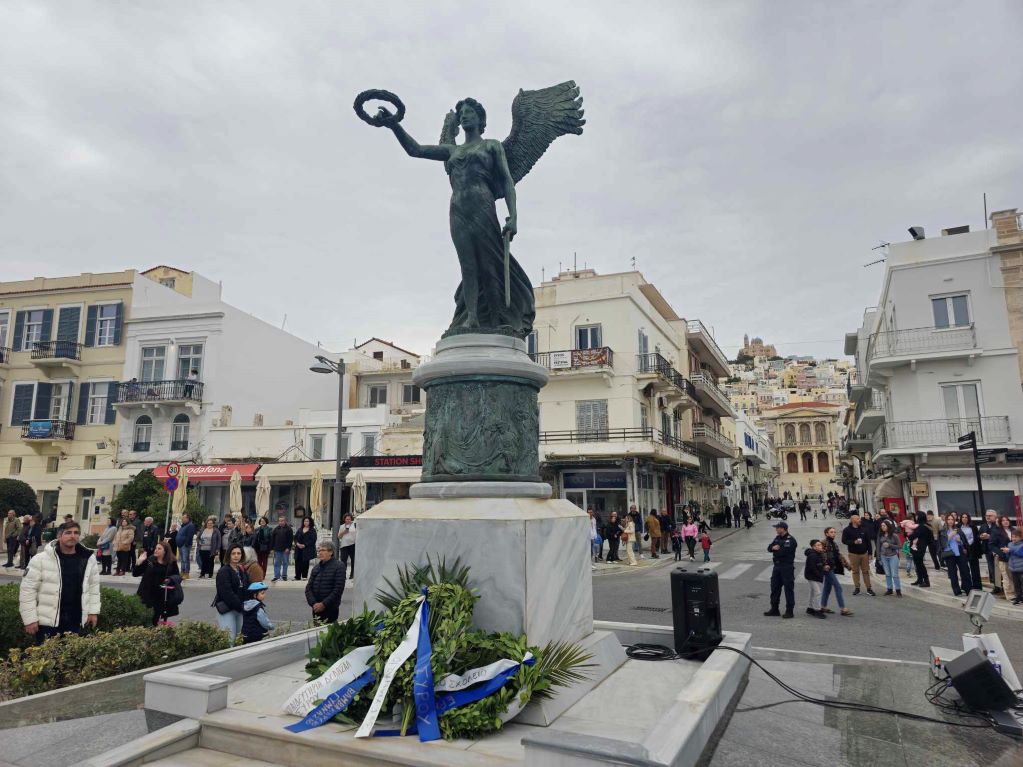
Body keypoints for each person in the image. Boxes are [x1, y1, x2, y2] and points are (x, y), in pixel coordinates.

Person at [19, 521, 100, 643]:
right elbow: (28, 590)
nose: (73, 536)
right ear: (59, 536)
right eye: (68, 533)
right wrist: (30, 619)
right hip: (48, 623)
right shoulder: (40, 559)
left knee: (70, 654)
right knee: (46, 655)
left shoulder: (88, 559)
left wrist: (93, 612)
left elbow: (93, 587)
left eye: (76, 533)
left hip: (74, 620)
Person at [132, 541, 181, 626]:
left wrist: (170, 580)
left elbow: (177, 577)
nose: (156, 550)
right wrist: (139, 561)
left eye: (159, 549)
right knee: (142, 618)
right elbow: (135, 573)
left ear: (165, 551)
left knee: (154, 620)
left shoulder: (171, 563)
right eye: (156, 548)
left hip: (160, 596)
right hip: (146, 593)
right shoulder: (150, 560)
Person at [212, 544, 249, 643]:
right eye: (233, 553)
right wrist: (241, 606)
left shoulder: (241, 570)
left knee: (239, 639)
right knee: (229, 640)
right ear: (229, 555)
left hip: (240, 609)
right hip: (227, 610)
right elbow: (227, 594)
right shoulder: (224, 571)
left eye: (238, 553)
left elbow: (246, 588)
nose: (236, 556)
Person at [306, 541, 345, 623]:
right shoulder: (316, 568)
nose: (320, 553)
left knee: (330, 630)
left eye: (323, 550)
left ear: (331, 552)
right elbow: (308, 588)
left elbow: (338, 589)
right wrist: (313, 603)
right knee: (316, 630)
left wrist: (323, 604)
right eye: (319, 550)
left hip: (330, 609)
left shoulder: (339, 566)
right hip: (316, 609)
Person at [764, 521, 797, 619]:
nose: (776, 529)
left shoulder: (790, 540)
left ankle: (789, 611)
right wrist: (773, 548)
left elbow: (782, 553)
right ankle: (774, 609)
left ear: (783, 529)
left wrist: (775, 549)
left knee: (788, 589)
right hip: (777, 567)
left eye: (777, 528)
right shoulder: (777, 538)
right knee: (774, 588)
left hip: (786, 567)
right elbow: (769, 548)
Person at [820, 527, 852, 616]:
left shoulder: (834, 543)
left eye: (834, 532)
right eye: (831, 532)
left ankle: (823, 606)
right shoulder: (823, 543)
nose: (833, 534)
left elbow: (839, 555)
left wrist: (848, 566)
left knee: (827, 588)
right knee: (838, 587)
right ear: (826, 534)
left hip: (832, 568)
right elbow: (821, 555)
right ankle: (842, 609)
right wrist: (824, 565)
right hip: (827, 569)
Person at [939, 513, 972, 596]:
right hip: (949, 553)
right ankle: (957, 591)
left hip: (959, 552)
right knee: (953, 573)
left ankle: (968, 589)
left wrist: (960, 541)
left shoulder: (958, 530)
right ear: (946, 520)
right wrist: (951, 535)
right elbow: (943, 544)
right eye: (948, 519)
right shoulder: (942, 531)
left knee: (965, 571)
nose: (950, 521)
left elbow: (964, 541)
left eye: (952, 519)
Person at [841, 514, 875, 596]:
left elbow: (868, 542)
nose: (860, 520)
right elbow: (844, 541)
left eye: (859, 518)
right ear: (852, 520)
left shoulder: (864, 529)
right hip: (853, 554)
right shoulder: (847, 530)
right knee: (855, 571)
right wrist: (853, 542)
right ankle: (857, 588)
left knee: (866, 571)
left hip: (864, 554)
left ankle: (869, 588)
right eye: (857, 519)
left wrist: (870, 553)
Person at [876, 519, 902, 597]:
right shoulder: (880, 535)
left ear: (888, 526)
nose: (882, 527)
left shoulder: (894, 535)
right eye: (882, 526)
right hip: (883, 556)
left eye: (884, 526)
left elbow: (900, 546)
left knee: (894, 574)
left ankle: (898, 590)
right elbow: (878, 547)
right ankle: (889, 589)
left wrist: (890, 545)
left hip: (893, 556)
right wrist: (878, 558)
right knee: (887, 574)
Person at [959, 512, 983, 592]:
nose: (964, 519)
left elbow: (976, 537)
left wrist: (969, 544)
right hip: (963, 549)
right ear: (961, 518)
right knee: (964, 569)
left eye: (966, 517)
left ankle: (977, 586)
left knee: (975, 568)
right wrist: (963, 546)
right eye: (963, 517)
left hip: (972, 549)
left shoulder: (973, 527)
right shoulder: (958, 527)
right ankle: (965, 586)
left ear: (968, 518)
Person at [907, 511, 933, 588]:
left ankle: (926, 581)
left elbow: (915, 535)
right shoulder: (923, 525)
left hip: (919, 547)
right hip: (918, 547)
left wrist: (909, 536)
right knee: (917, 564)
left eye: (917, 516)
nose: (916, 517)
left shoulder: (921, 526)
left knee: (920, 564)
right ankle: (920, 579)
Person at [993, 516, 1015, 601]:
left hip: (1015, 557)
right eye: (1003, 520)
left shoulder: (1014, 530)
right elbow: (991, 545)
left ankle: (1018, 593)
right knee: (1006, 577)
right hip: (1003, 558)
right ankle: (1010, 595)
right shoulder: (996, 532)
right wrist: (1000, 553)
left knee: (1015, 576)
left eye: (1007, 520)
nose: (1005, 522)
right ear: (1000, 522)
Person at [804, 539, 826, 618]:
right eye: (818, 545)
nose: (820, 546)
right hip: (812, 576)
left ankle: (810, 608)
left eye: (820, 545)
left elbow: (819, 564)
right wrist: (819, 575)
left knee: (813, 592)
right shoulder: (812, 555)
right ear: (813, 547)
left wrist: (823, 567)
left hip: (814, 576)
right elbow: (812, 568)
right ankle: (817, 610)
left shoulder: (818, 553)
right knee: (818, 593)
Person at [271, 515, 294, 582]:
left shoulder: (289, 529)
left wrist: (288, 548)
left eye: (282, 521)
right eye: (280, 521)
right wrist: (272, 548)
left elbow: (290, 540)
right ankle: (277, 576)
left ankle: (284, 576)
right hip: (277, 549)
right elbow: (272, 539)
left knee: (285, 563)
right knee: (277, 563)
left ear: (285, 521)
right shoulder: (276, 529)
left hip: (285, 549)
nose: (281, 522)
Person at [1003, 528, 1023, 605]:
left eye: (1016, 537)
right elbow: (1008, 556)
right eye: (1012, 537)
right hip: (1013, 568)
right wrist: (1006, 552)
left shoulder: (1021, 545)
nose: (1014, 538)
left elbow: (1020, 554)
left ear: (1020, 537)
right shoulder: (1009, 544)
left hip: (1021, 568)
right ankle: (1018, 598)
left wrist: (1010, 551)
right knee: (1016, 584)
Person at [175, 513, 195, 579]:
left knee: (185, 559)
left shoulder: (190, 525)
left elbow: (190, 535)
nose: (182, 519)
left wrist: (186, 543)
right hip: (180, 545)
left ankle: (186, 573)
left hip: (185, 545)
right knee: (182, 560)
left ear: (187, 518)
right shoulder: (183, 525)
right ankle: (182, 572)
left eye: (184, 517)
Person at [339, 513, 357, 578]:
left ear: (351, 519)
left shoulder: (354, 525)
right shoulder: (342, 526)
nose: (348, 520)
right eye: (347, 519)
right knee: (343, 561)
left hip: (353, 545)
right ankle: (343, 575)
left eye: (349, 519)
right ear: (344, 519)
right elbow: (339, 536)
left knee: (353, 560)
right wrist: (344, 532)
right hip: (344, 545)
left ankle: (352, 574)